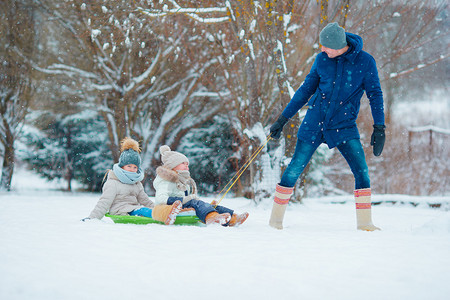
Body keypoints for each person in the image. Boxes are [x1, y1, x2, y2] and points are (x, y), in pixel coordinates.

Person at [268, 22, 386, 231]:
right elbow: (305, 90)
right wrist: (282, 119)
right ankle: (275, 220)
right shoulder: (322, 59)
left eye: (325, 46)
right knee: (294, 168)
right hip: (314, 122)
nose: (321, 49)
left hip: (344, 125)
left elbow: (375, 94)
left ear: (339, 45)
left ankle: (366, 223)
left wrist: (379, 127)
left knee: (361, 171)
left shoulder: (365, 62)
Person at [83, 137, 182, 225]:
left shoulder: (136, 183)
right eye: (129, 166)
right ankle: (165, 216)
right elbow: (104, 202)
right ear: (122, 166)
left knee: (146, 210)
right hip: (120, 211)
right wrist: (92, 218)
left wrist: (157, 207)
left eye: (135, 167)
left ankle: (169, 212)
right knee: (143, 211)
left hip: (135, 209)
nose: (132, 169)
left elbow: (145, 200)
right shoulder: (113, 183)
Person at [153, 145, 249, 226]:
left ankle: (233, 218)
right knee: (196, 203)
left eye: (187, 164)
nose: (187, 166)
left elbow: (187, 197)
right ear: (172, 166)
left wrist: (189, 199)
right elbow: (161, 198)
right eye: (183, 163)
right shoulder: (165, 180)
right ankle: (212, 218)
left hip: (183, 204)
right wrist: (186, 199)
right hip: (170, 207)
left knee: (208, 206)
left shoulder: (182, 180)